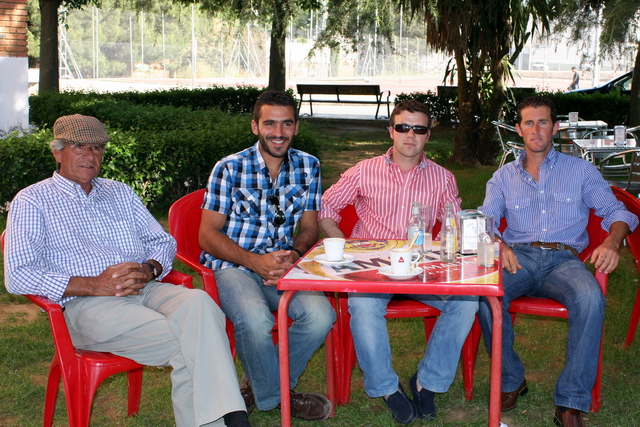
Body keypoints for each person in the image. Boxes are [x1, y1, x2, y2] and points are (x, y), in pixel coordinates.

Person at [3, 114, 250, 427]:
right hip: (87, 305)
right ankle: (233, 417)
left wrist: (149, 269)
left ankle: (227, 417)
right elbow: (18, 274)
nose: (90, 156)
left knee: (200, 304)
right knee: (197, 343)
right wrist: (96, 285)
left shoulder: (119, 192)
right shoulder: (33, 200)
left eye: (97, 148)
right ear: (57, 151)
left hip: (145, 288)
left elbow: (162, 242)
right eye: (80, 147)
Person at [477, 96, 638, 427]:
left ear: (556, 127)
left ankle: (570, 402)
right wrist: (498, 244)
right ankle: (511, 381)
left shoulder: (580, 170)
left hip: (564, 260)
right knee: (485, 294)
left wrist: (612, 240)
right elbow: (485, 220)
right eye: (529, 123)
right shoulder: (503, 177)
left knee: (590, 298)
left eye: (543, 122)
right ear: (519, 129)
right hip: (517, 258)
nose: (536, 130)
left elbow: (616, 212)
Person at [319, 99, 479, 424]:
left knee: (467, 300)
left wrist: (473, 235)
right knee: (363, 306)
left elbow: (454, 219)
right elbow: (327, 207)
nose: (410, 135)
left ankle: (426, 382)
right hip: (375, 267)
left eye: (418, 129)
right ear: (391, 131)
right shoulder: (364, 170)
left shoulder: (443, 178)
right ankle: (387, 388)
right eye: (403, 127)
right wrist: (343, 243)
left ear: (428, 135)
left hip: (421, 267)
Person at [198, 90, 335, 421]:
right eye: (269, 123)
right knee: (256, 320)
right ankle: (279, 395)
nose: (278, 132)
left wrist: (295, 254)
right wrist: (253, 261)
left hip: (285, 267)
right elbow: (206, 235)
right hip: (235, 266)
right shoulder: (229, 168)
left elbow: (309, 226)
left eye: (286, 123)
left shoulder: (308, 166)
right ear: (255, 127)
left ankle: (258, 388)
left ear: (296, 127)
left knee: (321, 315)